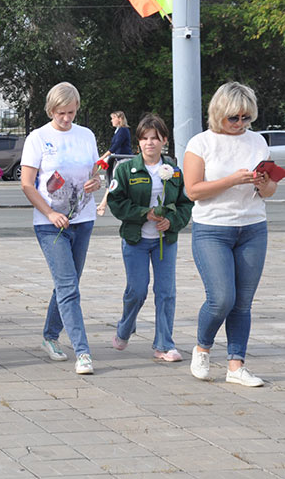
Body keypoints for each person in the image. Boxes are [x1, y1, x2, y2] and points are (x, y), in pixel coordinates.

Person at [183, 82, 278, 387]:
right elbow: (193, 190)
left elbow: (270, 190)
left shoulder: (258, 142)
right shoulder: (200, 143)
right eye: (233, 118)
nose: (240, 124)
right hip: (212, 229)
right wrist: (232, 180)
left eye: (246, 118)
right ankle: (202, 346)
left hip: (253, 227)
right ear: (218, 113)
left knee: (243, 302)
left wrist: (263, 184)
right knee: (222, 297)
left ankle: (236, 365)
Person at [20, 82, 102, 375]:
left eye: (71, 112)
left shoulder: (86, 135)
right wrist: (50, 212)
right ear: (50, 110)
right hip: (50, 223)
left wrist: (96, 182)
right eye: (60, 113)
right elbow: (27, 184)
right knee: (68, 286)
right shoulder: (38, 138)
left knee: (69, 282)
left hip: (82, 218)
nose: (66, 118)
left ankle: (50, 335)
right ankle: (83, 352)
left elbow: (95, 172)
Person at [107, 114, 193, 362]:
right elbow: (116, 203)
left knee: (166, 292)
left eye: (155, 138)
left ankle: (164, 344)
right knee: (137, 290)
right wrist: (146, 214)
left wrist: (172, 221)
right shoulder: (125, 169)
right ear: (138, 142)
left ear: (164, 140)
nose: (149, 143)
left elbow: (185, 204)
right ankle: (125, 327)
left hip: (165, 241)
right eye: (145, 138)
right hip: (135, 240)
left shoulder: (174, 172)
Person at [97, 111, 133, 216]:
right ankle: (104, 205)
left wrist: (102, 157)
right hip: (119, 160)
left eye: (113, 118)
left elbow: (115, 147)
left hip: (124, 161)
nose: (111, 120)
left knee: (113, 182)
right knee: (115, 182)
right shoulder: (119, 131)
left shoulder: (123, 130)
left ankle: (103, 205)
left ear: (120, 119)